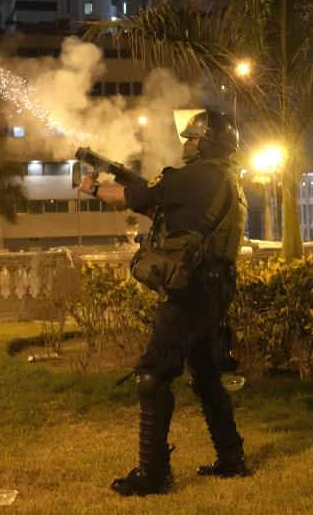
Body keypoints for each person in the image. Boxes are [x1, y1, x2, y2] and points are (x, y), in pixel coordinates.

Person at [79, 108, 249, 496]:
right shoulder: (226, 180)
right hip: (215, 286)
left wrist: (91, 188)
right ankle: (232, 459)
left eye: (193, 138)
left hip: (190, 288)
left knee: (153, 374)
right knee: (206, 375)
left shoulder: (197, 175)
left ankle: (154, 474)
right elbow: (159, 206)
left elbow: (134, 196)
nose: (187, 144)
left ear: (206, 142)